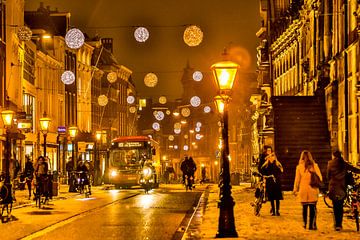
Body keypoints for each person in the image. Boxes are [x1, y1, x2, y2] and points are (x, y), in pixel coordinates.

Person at [327, 150, 360, 231]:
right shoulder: (343, 163)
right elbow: (353, 169)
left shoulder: (330, 164)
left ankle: (337, 224)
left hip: (333, 187)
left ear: (333, 155)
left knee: (335, 206)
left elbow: (328, 176)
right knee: (340, 206)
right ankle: (339, 224)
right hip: (342, 187)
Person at [293, 150, 322, 230]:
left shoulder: (299, 167)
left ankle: (305, 224)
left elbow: (297, 179)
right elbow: (320, 177)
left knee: (304, 208)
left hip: (303, 189)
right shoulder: (315, 166)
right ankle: (312, 225)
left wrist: (295, 189)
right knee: (313, 208)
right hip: (313, 189)